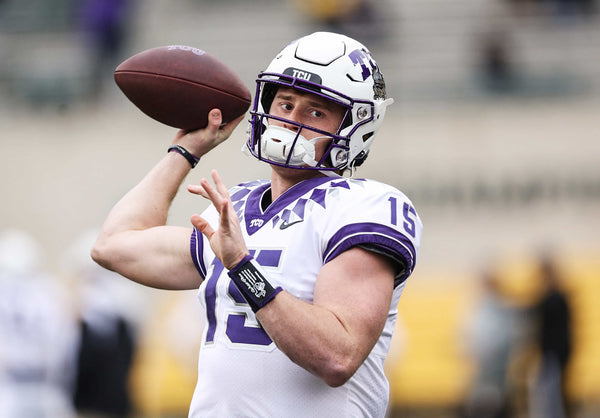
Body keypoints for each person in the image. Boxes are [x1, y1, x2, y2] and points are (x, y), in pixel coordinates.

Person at [92, 31, 422, 417]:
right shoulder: (237, 207)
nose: (290, 121)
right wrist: (185, 150)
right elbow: (114, 245)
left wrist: (243, 269)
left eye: (315, 112)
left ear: (354, 128)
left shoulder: (364, 206)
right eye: (284, 103)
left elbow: (337, 356)